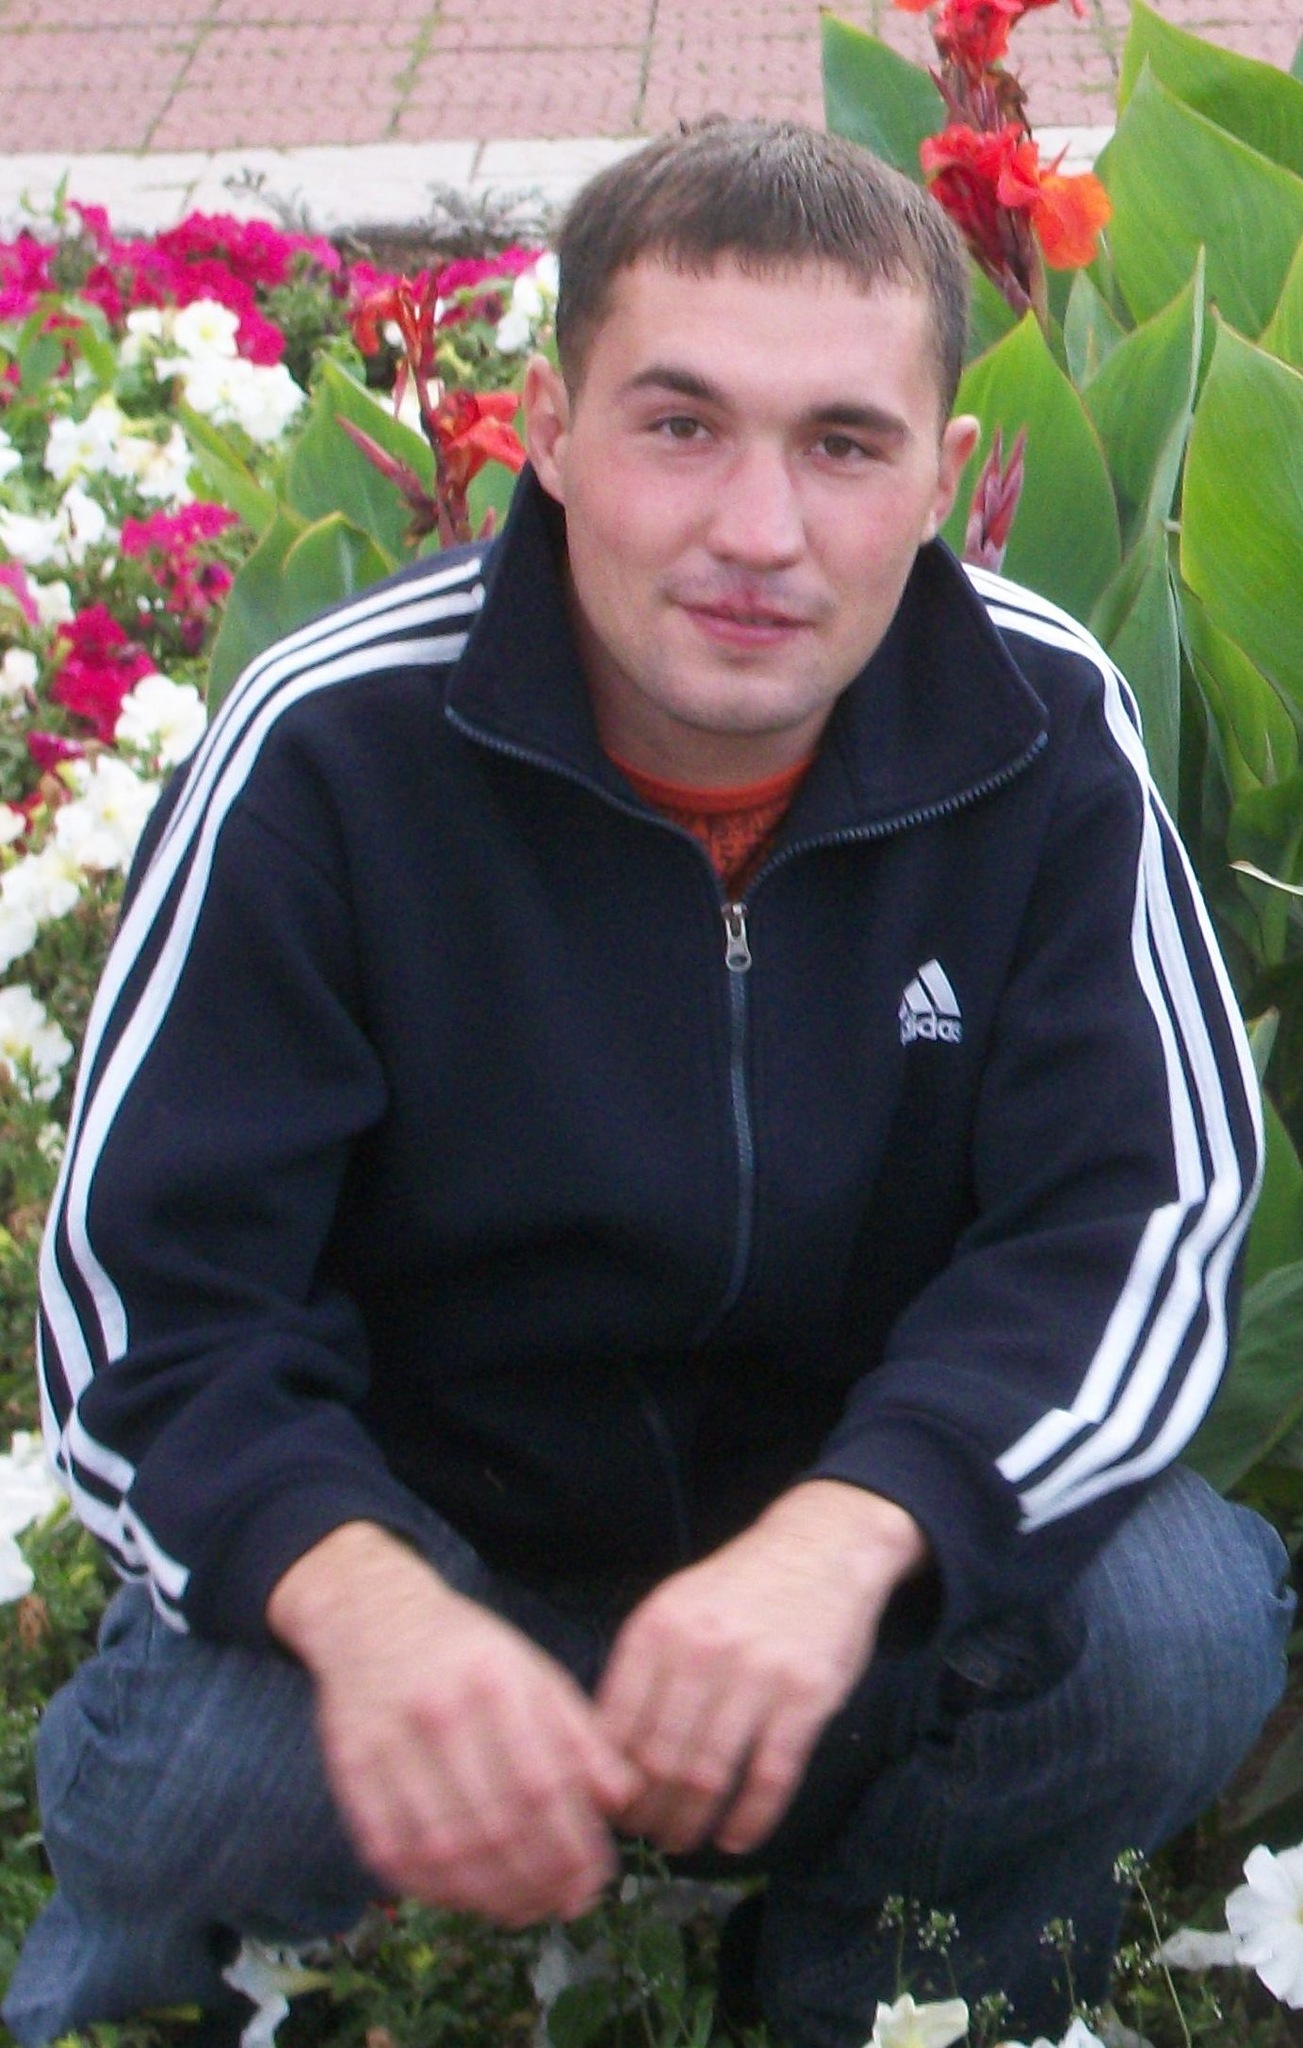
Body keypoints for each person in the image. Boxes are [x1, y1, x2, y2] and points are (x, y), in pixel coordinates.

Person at [3, 119, 1291, 2048]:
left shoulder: (1042, 729)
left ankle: (881, 1996)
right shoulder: (331, 748)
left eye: (843, 446)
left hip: (849, 1579)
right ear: (548, 427)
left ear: (946, 476)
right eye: (681, 425)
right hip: (436, 1556)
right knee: (200, 1773)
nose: (759, 532)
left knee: (1177, 1622)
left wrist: (849, 1537)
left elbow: (1142, 1229)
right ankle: (139, 2007)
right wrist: (364, 1599)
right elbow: (151, 1312)